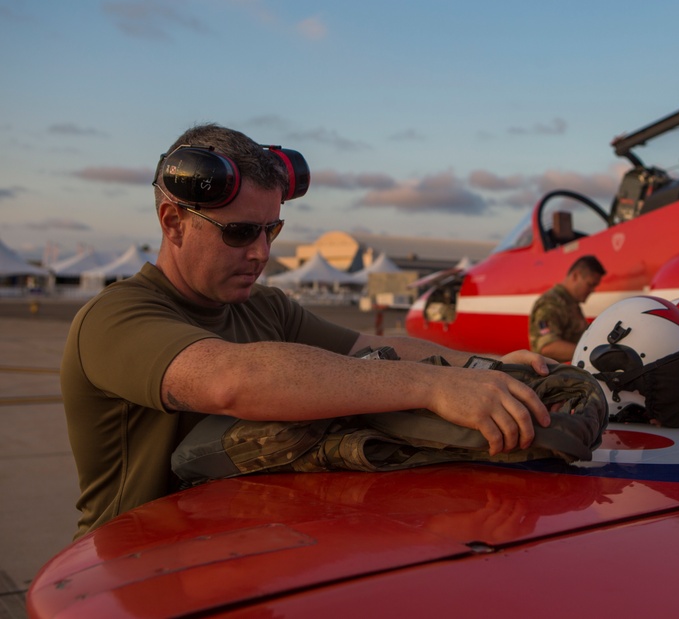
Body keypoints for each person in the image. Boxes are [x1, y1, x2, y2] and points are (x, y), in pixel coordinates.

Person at [61, 123, 552, 539]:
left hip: (232, 551)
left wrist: (482, 370)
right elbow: (230, 381)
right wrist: (433, 386)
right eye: (238, 232)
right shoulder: (115, 317)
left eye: (270, 230)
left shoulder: (266, 306)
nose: (260, 253)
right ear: (173, 223)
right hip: (135, 566)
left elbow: (372, 347)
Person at [528, 255, 606, 362]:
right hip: (552, 376)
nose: (593, 290)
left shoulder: (571, 303)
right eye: (590, 284)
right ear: (575, 276)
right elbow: (547, 347)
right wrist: (592, 352)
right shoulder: (551, 303)